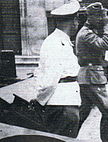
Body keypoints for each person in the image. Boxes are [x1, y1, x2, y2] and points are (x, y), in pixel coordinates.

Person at [30, 0, 81, 138]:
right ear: (73, 21)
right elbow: (50, 80)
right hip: (61, 107)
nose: (77, 23)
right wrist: (40, 101)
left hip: (66, 104)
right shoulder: (54, 43)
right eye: (76, 19)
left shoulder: (61, 41)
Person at [75, 2, 108, 142]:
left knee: (84, 111)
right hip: (91, 76)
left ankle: (65, 136)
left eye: (102, 17)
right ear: (90, 17)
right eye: (99, 17)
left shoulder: (89, 31)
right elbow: (107, 44)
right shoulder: (86, 34)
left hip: (90, 76)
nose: (101, 19)